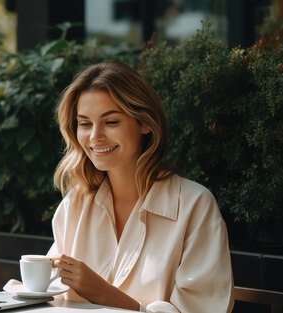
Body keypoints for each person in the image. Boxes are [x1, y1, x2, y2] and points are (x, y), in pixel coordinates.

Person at [47, 61, 234, 313]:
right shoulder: (75, 204)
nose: (95, 137)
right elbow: (48, 294)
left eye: (111, 122)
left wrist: (103, 293)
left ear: (144, 123)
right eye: (85, 123)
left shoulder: (194, 205)